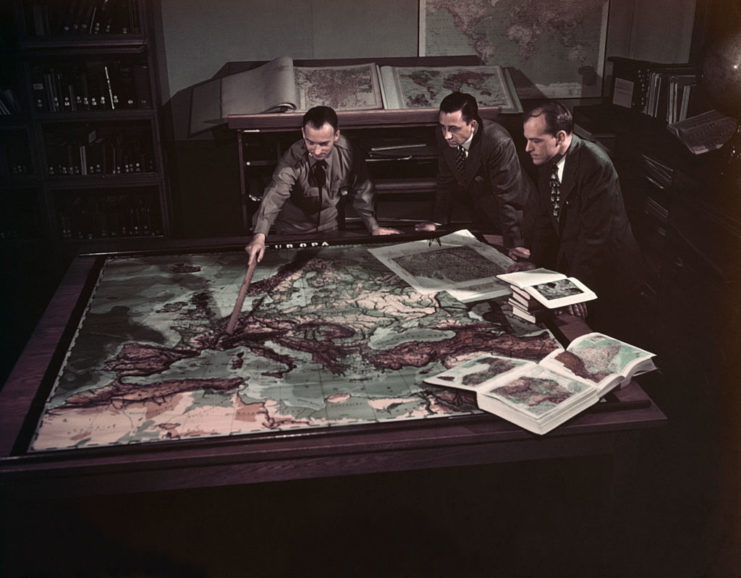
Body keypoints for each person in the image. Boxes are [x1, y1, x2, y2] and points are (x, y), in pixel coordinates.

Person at [515, 100, 646, 326]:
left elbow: (595, 236)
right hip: (578, 262)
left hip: (608, 274)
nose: (527, 148)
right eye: (527, 139)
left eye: (535, 141)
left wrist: (576, 287)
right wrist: (536, 263)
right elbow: (547, 219)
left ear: (560, 137)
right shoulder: (547, 158)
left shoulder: (595, 164)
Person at [245, 105, 400, 263]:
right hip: (294, 230)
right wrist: (259, 237)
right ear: (303, 133)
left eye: (324, 144)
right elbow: (275, 194)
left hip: (331, 228)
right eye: (310, 142)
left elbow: (362, 190)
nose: (317, 151)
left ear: (336, 135)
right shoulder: (293, 157)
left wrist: (373, 228)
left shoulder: (348, 153)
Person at [416, 91, 533, 254]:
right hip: (484, 211)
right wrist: (438, 221)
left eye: (453, 128)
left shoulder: (498, 141)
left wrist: (514, 242)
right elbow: (445, 179)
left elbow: (508, 197)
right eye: (443, 127)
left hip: (522, 219)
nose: (447, 135)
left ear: (472, 125)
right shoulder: (444, 135)